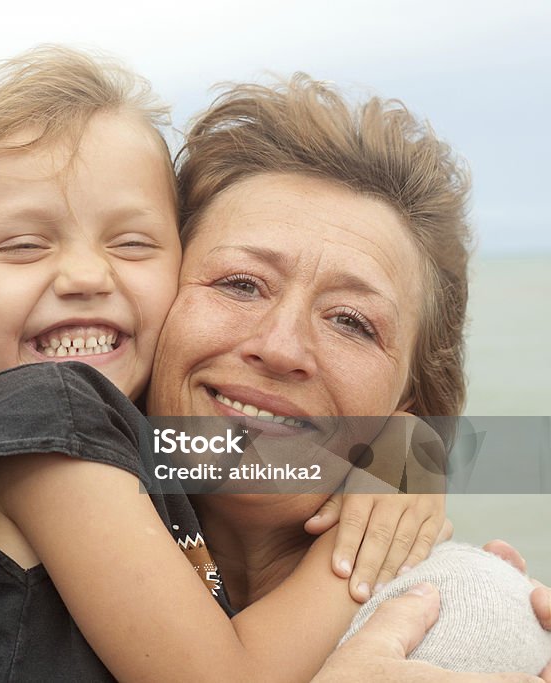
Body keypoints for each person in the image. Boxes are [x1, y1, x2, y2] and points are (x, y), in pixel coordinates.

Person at [0, 47, 459, 682]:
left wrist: (412, 458)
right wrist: (380, 528)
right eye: (241, 284)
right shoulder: (48, 415)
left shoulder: (463, 617)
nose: (85, 276)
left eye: (351, 321)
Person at [149, 74, 551, 675]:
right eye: (240, 283)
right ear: (150, 304)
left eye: (352, 322)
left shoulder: (452, 629)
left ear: (409, 402)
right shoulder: (18, 553)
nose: (282, 347)